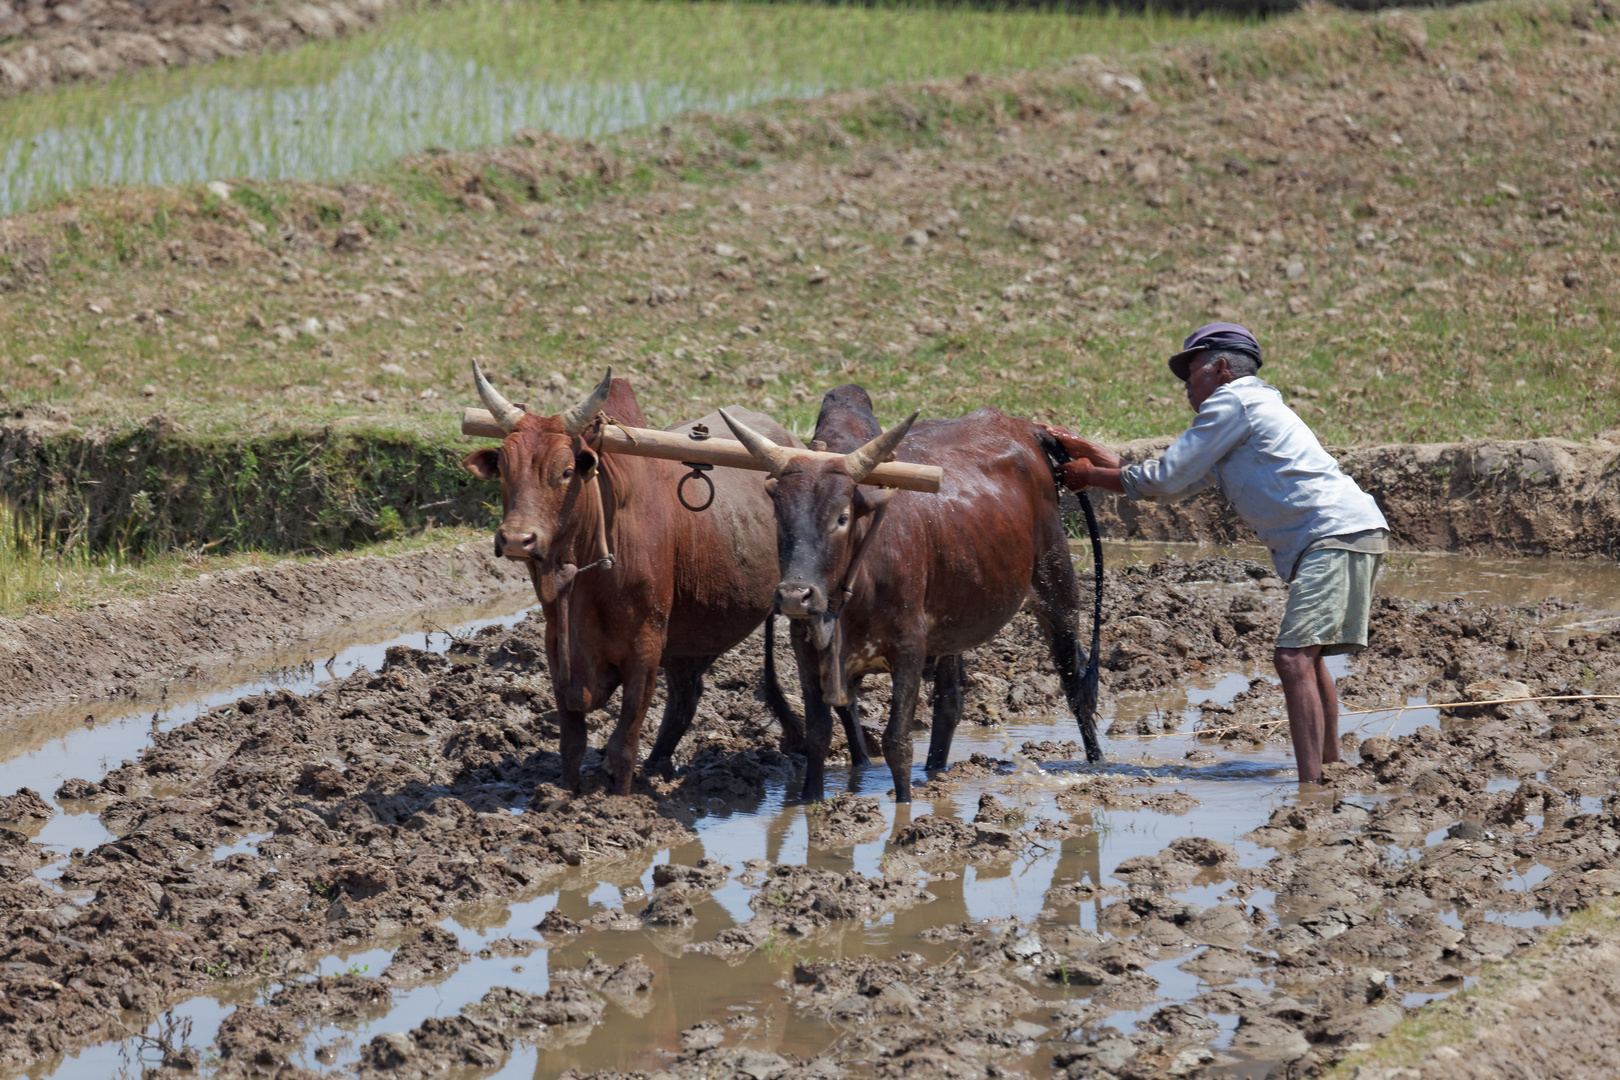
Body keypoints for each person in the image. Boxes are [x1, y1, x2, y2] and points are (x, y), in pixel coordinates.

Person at [1043, 322, 1388, 783]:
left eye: (1192, 373)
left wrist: (1089, 475)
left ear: (1221, 368)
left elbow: (1163, 478)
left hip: (1332, 535)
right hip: (1342, 534)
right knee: (1309, 655)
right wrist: (1093, 455)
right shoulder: (1248, 412)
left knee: (1293, 658)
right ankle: (1327, 767)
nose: (1186, 387)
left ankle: (1311, 791)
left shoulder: (1234, 401)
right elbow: (1173, 482)